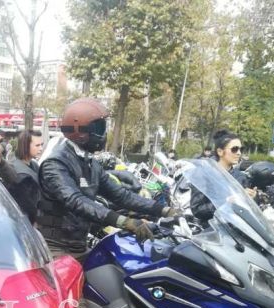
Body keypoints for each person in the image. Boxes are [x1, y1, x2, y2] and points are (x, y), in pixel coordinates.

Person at [37, 98, 179, 261]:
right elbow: (75, 200)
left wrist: (164, 210)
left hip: (79, 245)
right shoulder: (55, 164)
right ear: (80, 131)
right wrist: (125, 222)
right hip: (55, 249)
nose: (103, 134)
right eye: (99, 128)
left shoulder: (90, 164)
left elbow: (121, 195)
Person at [190, 129, 254, 222]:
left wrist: (252, 199)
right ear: (220, 151)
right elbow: (197, 210)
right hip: (211, 228)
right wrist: (225, 202)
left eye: (241, 149)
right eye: (234, 149)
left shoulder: (241, 177)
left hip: (236, 227)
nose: (239, 153)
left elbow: (246, 212)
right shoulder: (204, 174)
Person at [7, 129, 43, 223]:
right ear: (26, 146)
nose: (41, 148)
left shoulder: (34, 164)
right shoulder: (16, 170)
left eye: (41, 145)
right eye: (37, 145)